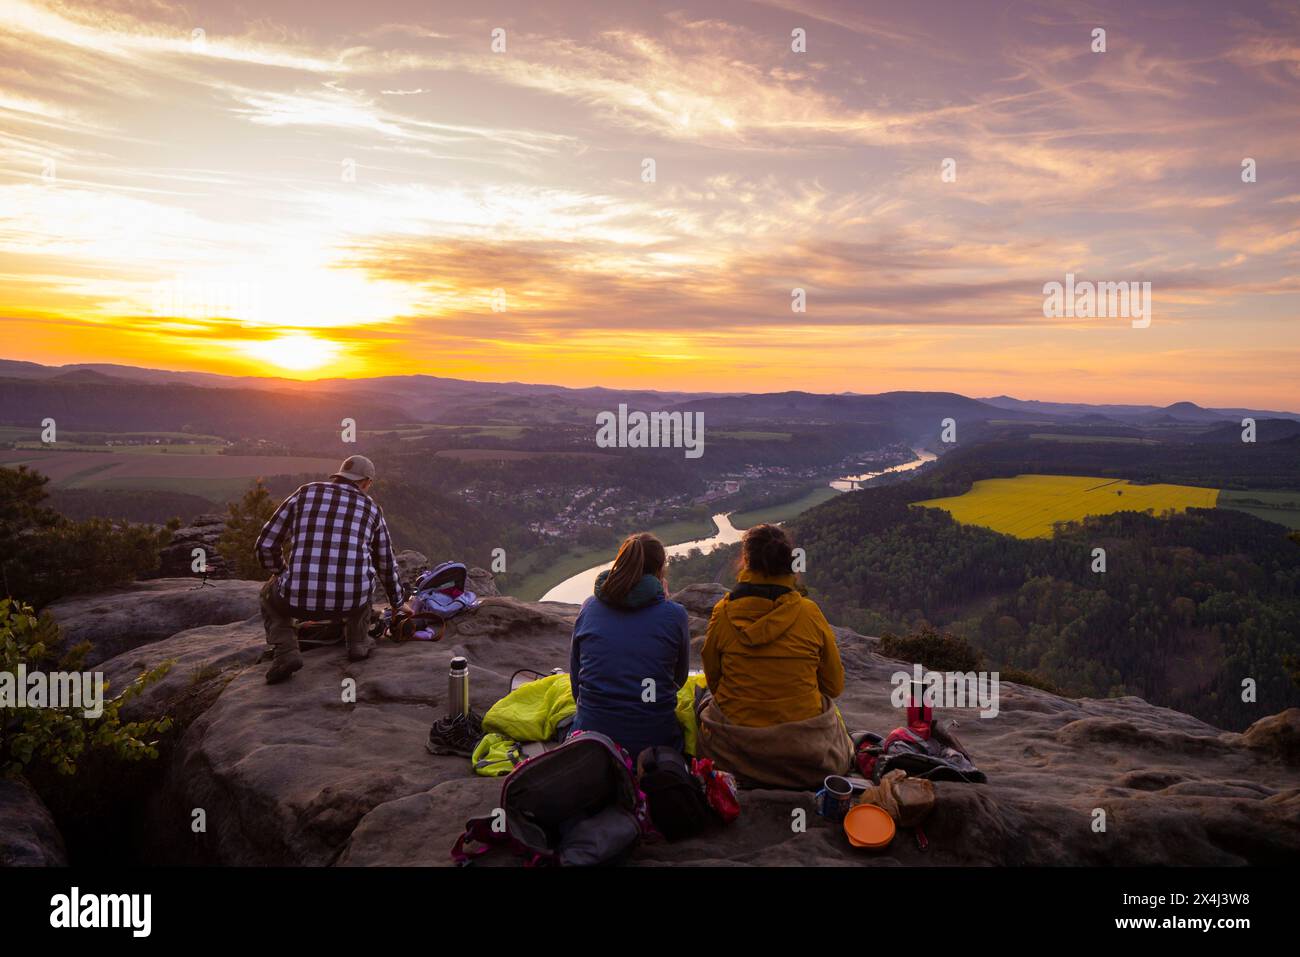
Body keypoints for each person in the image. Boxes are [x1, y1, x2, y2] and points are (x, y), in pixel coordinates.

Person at [698, 524, 850, 787]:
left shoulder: (723, 613)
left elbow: (714, 680)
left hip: (733, 753)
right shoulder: (809, 613)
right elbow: (834, 686)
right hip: (805, 755)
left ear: (746, 562)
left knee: (701, 702)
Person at [253, 454, 402, 684]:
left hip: (297, 601)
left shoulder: (304, 493)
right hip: (350, 602)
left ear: (340, 476)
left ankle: (286, 651)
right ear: (366, 482)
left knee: (267, 595)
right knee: (364, 583)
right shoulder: (371, 509)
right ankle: (358, 644)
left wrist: (281, 573)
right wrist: (397, 603)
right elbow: (385, 562)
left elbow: (265, 545)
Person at [568, 532, 691, 759]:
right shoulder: (675, 615)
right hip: (655, 743)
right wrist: (663, 607)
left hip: (591, 740)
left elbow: (577, 683)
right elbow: (678, 678)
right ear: (660, 569)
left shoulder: (589, 607)